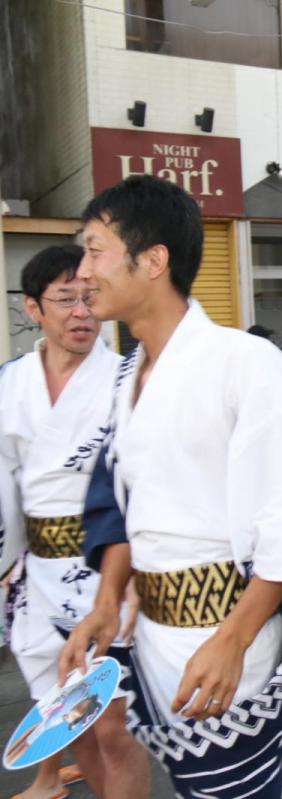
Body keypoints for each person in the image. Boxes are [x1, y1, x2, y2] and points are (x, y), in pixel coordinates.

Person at [59, 175, 282, 799]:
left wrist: (233, 638)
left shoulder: (240, 361)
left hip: (226, 640)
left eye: (94, 250)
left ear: (153, 260)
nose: (82, 270)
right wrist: (106, 600)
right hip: (151, 638)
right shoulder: (127, 377)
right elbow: (122, 504)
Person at [0, 245, 149, 799]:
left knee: (110, 726)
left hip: (112, 568)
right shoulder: (8, 384)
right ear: (34, 309)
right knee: (72, 724)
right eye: (65, 300)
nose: (82, 311)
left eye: (90, 297)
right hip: (37, 575)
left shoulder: (128, 380)